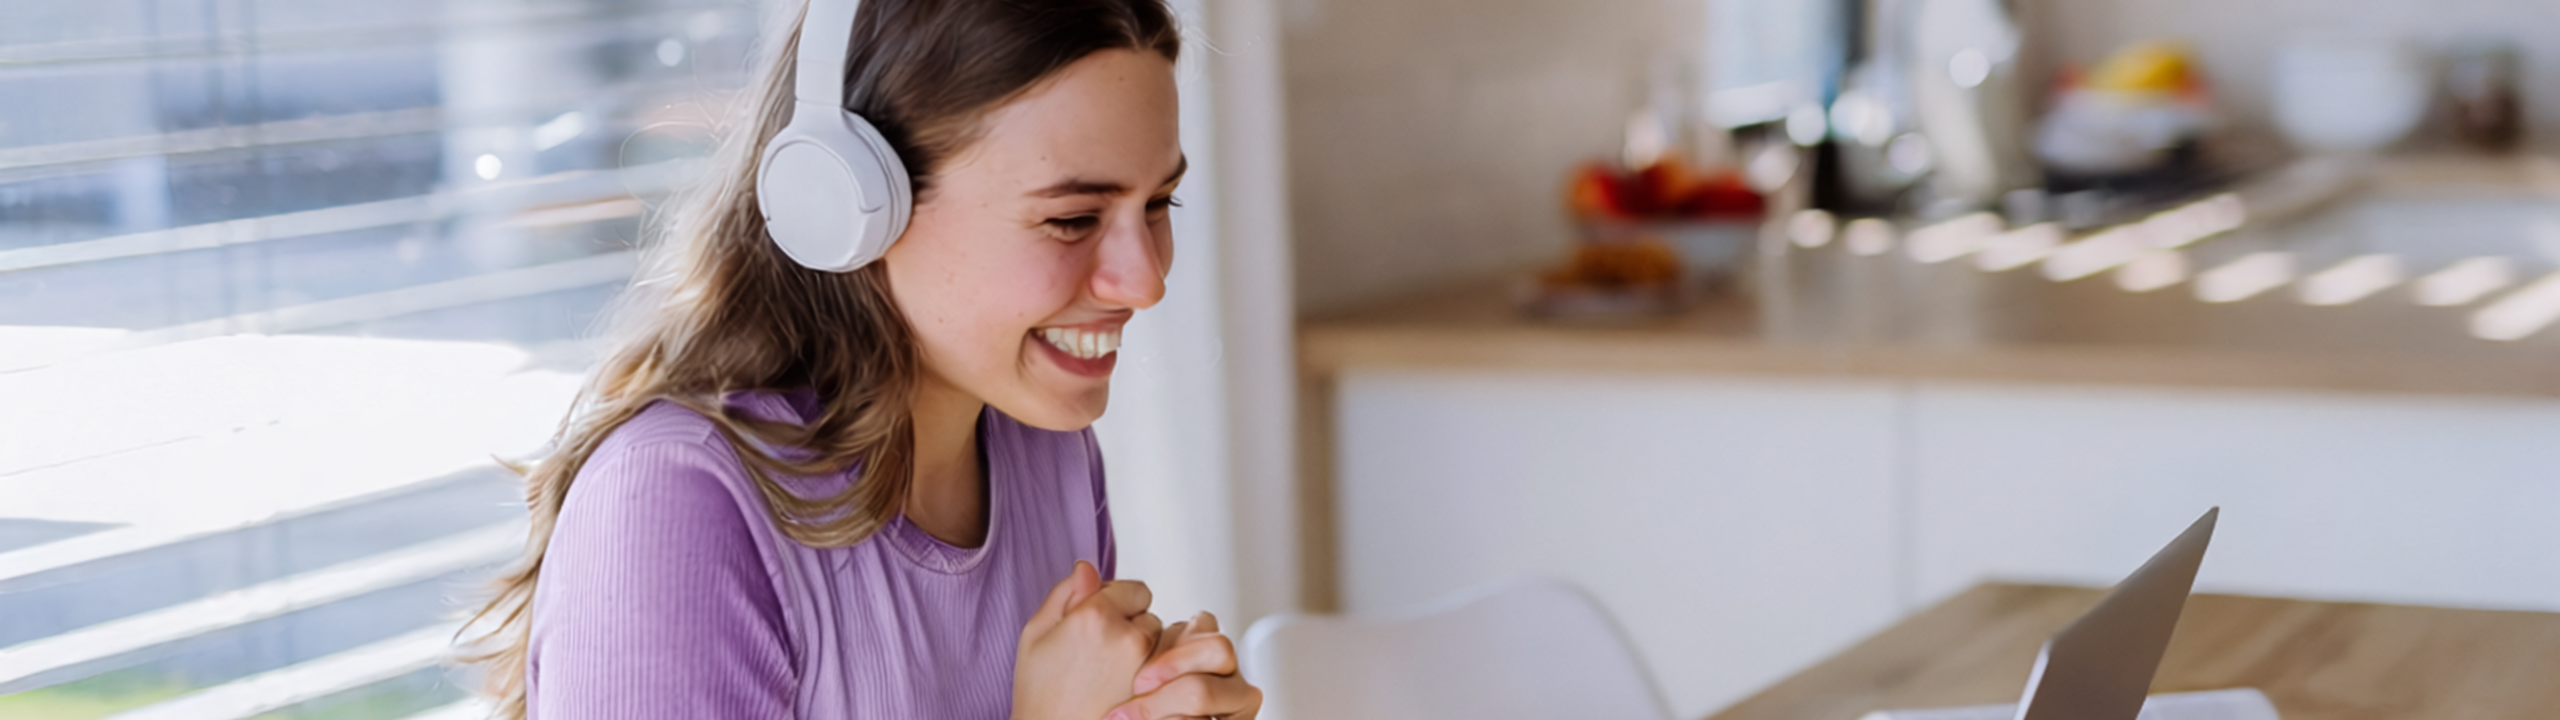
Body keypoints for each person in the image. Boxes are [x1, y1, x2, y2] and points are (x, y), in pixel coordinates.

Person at [460, 0, 1261, 718]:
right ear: (849, 203)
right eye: (1074, 218)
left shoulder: (1043, 445)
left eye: (1157, 204)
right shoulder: (676, 500)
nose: (1146, 281)